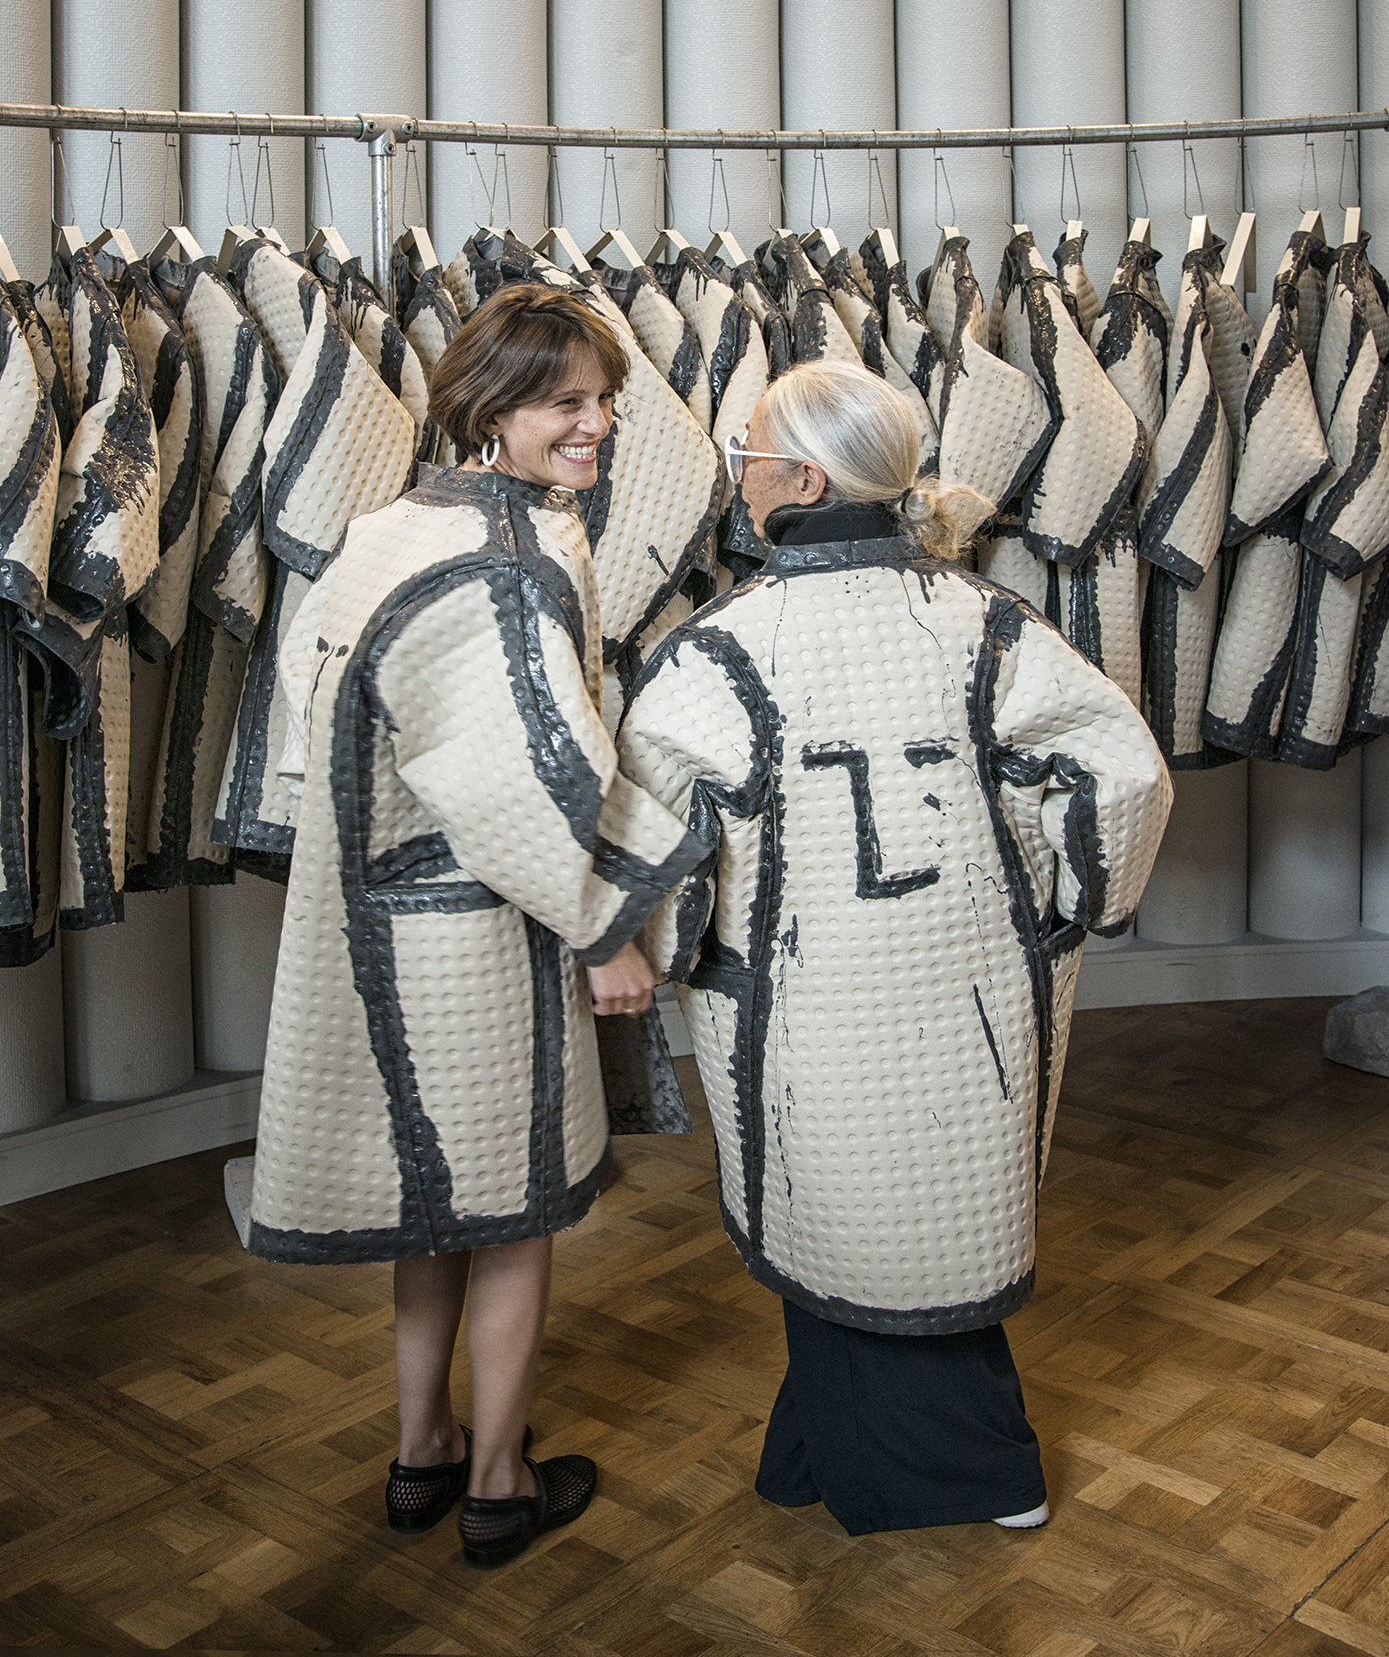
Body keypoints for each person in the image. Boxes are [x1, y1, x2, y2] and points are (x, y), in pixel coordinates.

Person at [618, 359, 1172, 1536]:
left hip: (799, 1007)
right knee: (927, 1219)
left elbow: (655, 848)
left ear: (804, 478)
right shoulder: (992, 624)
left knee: (843, 1219)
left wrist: (664, 951)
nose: (738, 472)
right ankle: (818, 1451)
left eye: (747, 453)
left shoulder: (715, 652)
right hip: (976, 993)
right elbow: (1120, 775)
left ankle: (981, 1480)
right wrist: (1074, 907)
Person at [244, 283, 710, 1569]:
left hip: (373, 914)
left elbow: (312, 711)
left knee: (433, 1212)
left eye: (604, 400)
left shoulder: (382, 529)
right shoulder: (512, 559)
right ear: (492, 407)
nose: (597, 425)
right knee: (511, 1217)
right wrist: (603, 929)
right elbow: (521, 771)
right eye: (568, 402)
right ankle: (501, 1481)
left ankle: (421, 1453)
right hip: (479, 933)